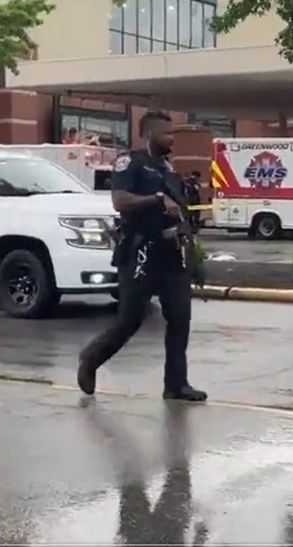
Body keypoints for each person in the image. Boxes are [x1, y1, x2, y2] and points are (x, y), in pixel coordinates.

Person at [76, 111, 207, 402]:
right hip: (140, 251)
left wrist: (193, 255)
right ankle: (91, 359)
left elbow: (180, 210)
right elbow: (119, 200)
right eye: (167, 133)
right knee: (130, 320)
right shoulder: (130, 162)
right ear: (150, 134)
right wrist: (157, 200)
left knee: (179, 319)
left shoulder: (167, 167)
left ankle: (176, 385)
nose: (172, 138)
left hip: (171, 253)